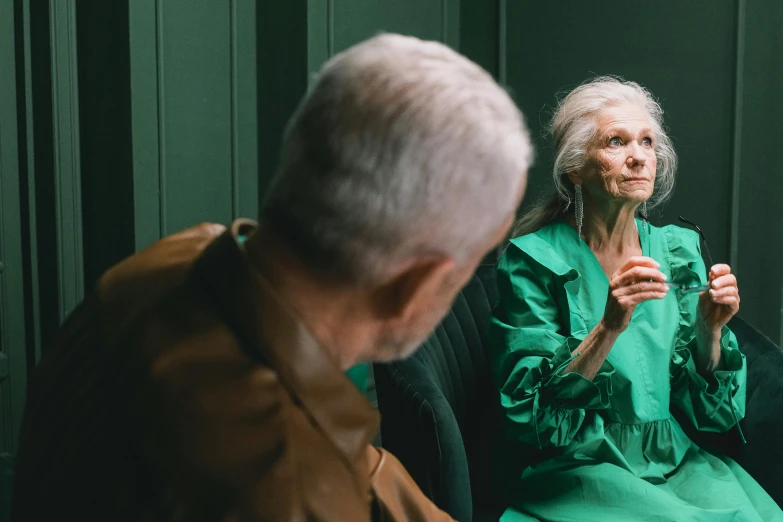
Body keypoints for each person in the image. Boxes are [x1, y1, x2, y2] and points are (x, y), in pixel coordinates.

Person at [12, 34, 533, 522]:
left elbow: (349, 460)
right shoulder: (291, 491)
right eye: (475, 261)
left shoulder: (157, 271)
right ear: (415, 284)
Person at [489, 76, 783, 521]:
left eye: (647, 142)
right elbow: (533, 420)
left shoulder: (678, 250)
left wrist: (711, 330)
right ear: (575, 168)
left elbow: (713, 414)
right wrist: (608, 326)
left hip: (676, 462)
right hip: (585, 468)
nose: (638, 157)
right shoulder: (534, 259)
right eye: (616, 142)